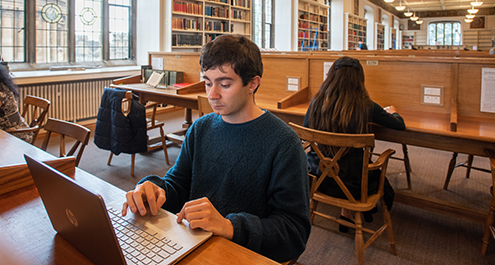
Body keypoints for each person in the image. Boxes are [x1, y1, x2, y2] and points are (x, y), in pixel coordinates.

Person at [122, 34, 311, 262]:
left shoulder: (283, 143)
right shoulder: (200, 128)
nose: (212, 94)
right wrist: (155, 189)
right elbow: (179, 183)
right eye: (208, 83)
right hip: (195, 246)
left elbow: (293, 233)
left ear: (253, 83)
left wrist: (230, 226)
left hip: (243, 255)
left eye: (224, 84)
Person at [303, 56, 405, 232]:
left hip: (320, 175)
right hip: (355, 183)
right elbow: (399, 125)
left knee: (340, 163)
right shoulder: (366, 106)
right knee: (352, 164)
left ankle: (346, 214)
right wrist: (393, 112)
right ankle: (347, 212)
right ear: (359, 79)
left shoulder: (316, 103)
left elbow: (305, 129)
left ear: (330, 77)